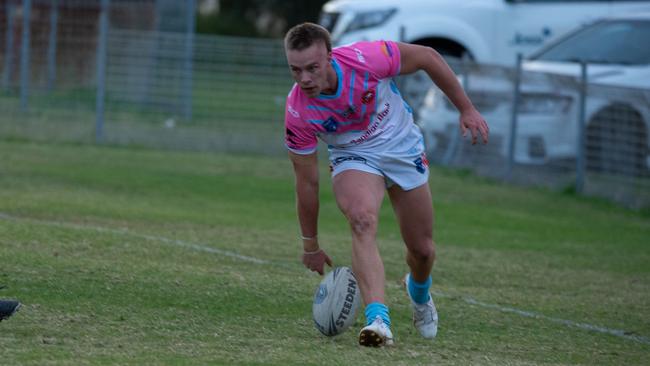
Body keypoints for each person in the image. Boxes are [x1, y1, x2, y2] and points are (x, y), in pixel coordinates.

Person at [283, 23, 488, 347]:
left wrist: (466, 108)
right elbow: (306, 183)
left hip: (402, 146)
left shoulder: (367, 58)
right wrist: (310, 244)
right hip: (354, 155)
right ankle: (378, 321)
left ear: (330, 57)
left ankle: (418, 292)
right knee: (362, 220)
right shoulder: (298, 111)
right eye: (296, 70)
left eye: (312, 68)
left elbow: (427, 56)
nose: (305, 79)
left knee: (422, 250)